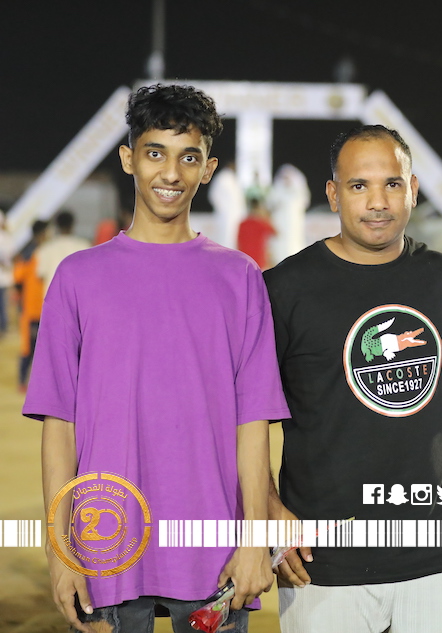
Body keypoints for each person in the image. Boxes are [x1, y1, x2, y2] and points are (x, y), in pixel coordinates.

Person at [23, 83, 289, 633]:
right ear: (129, 159)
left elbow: (253, 422)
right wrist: (59, 551)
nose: (171, 173)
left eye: (188, 157)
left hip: (216, 553)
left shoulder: (239, 278)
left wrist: (254, 541)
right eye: (155, 153)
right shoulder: (77, 278)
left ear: (208, 169)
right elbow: (59, 427)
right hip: (104, 550)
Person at [264, 125, 442, 633]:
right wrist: (267, 508)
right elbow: (238, 411)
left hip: (435, 553)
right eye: (359, 185)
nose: (378, 202)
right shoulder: (284, 288)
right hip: (323, 561)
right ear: (333, 193)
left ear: (413, 189)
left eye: (392, 184)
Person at [13, 219, 47, 390]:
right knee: (28, 347)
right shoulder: (30, 254)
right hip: (32, 309)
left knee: (39, 348)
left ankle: (33, 383)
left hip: (41, 307)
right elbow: (18, 278)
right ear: (41, 233)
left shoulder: (40, 251)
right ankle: (22, 381)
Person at [35, 210, 90, 296]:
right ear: (72, 225)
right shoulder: (84, 246)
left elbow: (41, 276)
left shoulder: (45, 249)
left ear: (57, 226)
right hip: (77, 297)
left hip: (54, 298)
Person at [237, 196, 277, 270]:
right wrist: (265, 217)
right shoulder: (261, 223)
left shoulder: (242, 223)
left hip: (245, 260)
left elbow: (238, 242)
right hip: (259, 261)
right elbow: (276, 233)